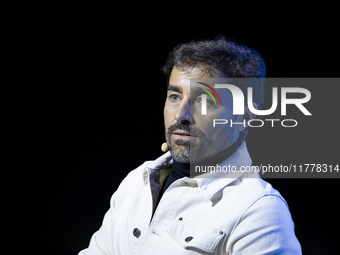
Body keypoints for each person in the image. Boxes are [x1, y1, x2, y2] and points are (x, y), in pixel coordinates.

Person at [78, 37, 302, 254]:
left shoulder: (259, 211)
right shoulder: (136, 183)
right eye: (175, 96)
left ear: (243, 117)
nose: (180, 115)